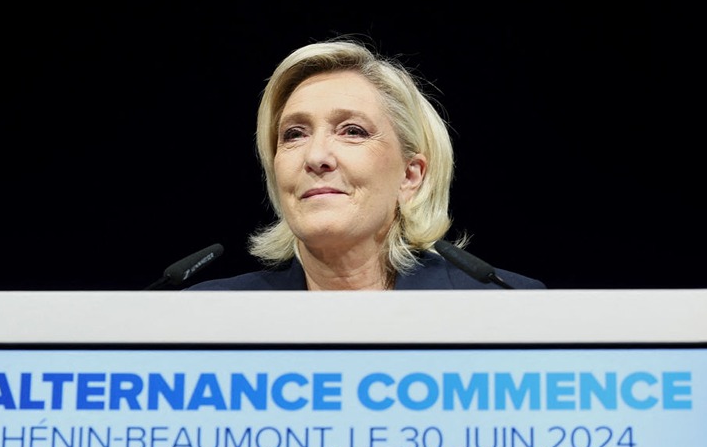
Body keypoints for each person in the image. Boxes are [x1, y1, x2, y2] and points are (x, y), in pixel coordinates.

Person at [186, 37, 545, 291]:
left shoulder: (506, 307)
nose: (316, 157)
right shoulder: (204, 318)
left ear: (410, 175)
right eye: (294, 134)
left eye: (352, 131)